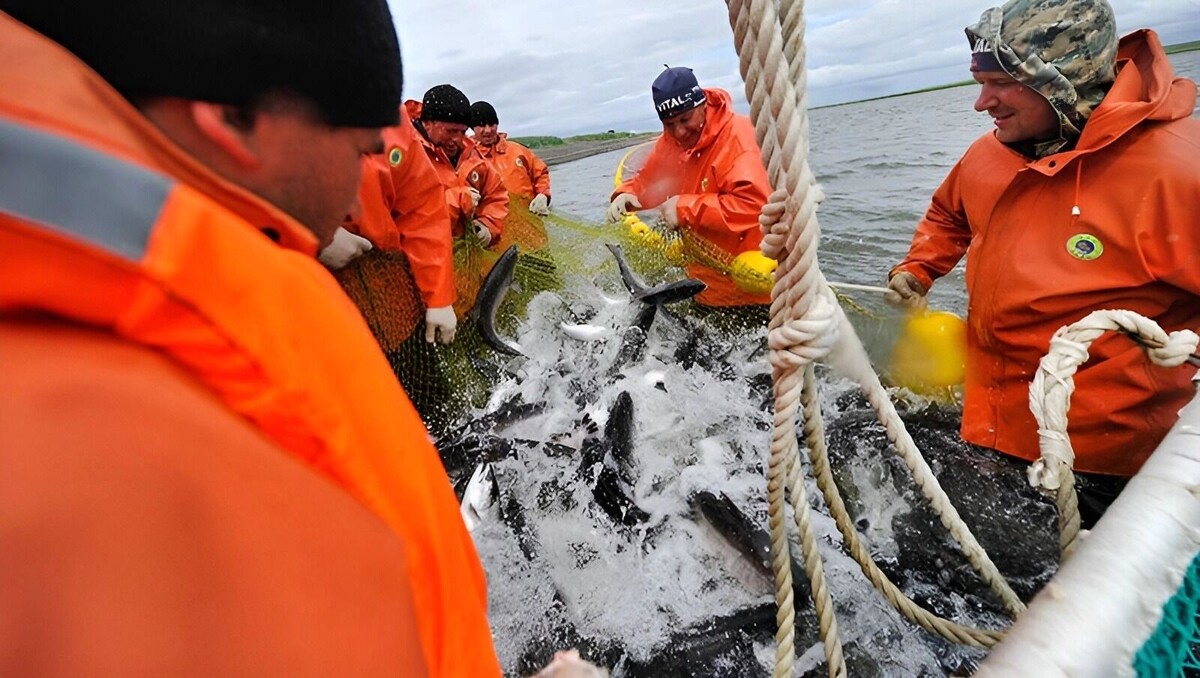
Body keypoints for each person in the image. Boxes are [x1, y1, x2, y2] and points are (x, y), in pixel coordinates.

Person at [0, 2, 501, 675]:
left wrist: (435, 297)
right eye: (355, 153)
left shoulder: (240, 262)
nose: (356, 183)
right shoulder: (63, 429)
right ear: (232, 118)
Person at [884, 0, 1200, 523]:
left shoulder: (1178, 171)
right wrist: (919, 269)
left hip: (1107, 467)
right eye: (978, 82)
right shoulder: (990, 154)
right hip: (990, 422)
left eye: (999, 83)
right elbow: (948, 214)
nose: (981, 104)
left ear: (1061, 78)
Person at [607, 66, 772, 307]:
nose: (679, 131)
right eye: (669, 124)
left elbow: (756, 206)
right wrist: (628, 193)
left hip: (757, 285)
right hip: (706, 287)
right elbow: (652, 181)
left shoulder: (740, 139)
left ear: (703, 104)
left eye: (685, 119)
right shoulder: (671, 141)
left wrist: (684, 209)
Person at [343, 103, 459, 344]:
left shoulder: (391, 119)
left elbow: (422, 211)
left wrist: (439, 297)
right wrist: (311, 233)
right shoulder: (263, 102)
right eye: (453, 131)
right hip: (310, 309)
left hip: (392, 304)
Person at [407, 84, 508, 249]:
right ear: (428, 122)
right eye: (452, 131)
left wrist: (488, 226)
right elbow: (405, 218)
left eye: (463, 132)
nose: (459, 139)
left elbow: (496, 195)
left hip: (466, 263)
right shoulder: (402, 152)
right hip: (423, 263)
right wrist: (457, 200)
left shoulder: (471, 154)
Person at [471, 100, 553, 216]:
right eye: (482, 125)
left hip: (532, 221)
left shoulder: (518, 150)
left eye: (491, 124)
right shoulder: (467, 158)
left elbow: (541, 172)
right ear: (472, 128)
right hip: (493, 228)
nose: (488, 130)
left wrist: (543, 195)